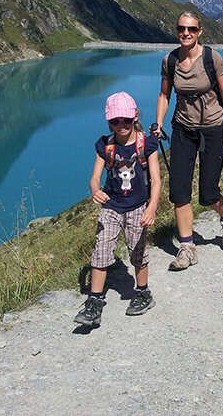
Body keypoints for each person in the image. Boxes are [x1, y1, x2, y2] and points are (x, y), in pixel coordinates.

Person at [153, 12, 223, 271]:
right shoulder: (170, 61)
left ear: (200, 31)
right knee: (179, 189)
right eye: (181, 28)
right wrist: (158, 122)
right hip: (183, 129)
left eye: (191, 29)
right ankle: (187, 247)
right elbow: (164, 95)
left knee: (208, 192)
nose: (185, 33)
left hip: (213, 129)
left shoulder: (212, 58)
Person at [74, 92, 161, 327]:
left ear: (135, 116)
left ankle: (143, 293)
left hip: (138, 206)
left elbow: (156, 179)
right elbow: (94, 178)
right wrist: (95, 191)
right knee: (102, 250)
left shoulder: (147, 144)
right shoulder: (105, 145)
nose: (121, 125)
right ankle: (94, 302)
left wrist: (152, 207)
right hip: (111, 206)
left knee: (137, 252)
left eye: (125, 120)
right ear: (108, 121)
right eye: (115, 121)